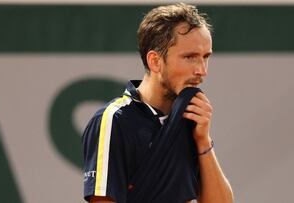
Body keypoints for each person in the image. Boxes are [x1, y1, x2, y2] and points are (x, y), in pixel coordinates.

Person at [82, 3, 233, 203]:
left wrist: (203, 141)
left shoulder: (190, 121)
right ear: (155, 61)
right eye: (190, 57)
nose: (202, 70)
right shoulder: (113, 120)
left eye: (206, 57)